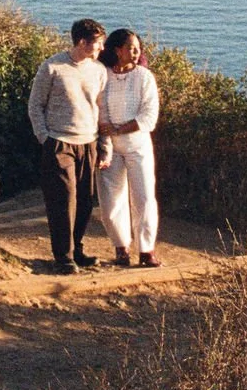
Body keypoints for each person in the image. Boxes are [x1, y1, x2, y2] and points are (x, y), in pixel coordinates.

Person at [28, 18, 108, 273]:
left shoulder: (99, 71)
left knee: (85, 201)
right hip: (60, 143)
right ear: (82, 42)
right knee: (64, 200)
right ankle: (63, 257)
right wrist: (45, 137)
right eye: (98, 43)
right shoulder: (52, 67)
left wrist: (104, 145)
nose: (102, 48)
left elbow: (102, 110)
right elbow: (35, 105)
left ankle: (77, 250)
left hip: (89, 142)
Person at [96, 28, 161, 268]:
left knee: (144, 198)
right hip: (110, 147)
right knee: (111, 201)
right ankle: (121, 248)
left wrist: (119, 129)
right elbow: (100, 109)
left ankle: (146, 251)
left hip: (138, 146)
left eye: (138, 49)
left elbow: (149, 116)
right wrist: (107, 134)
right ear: (117, 50)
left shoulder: (144, 77)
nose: (136, 53)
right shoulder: (103, 75)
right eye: (131, 48)